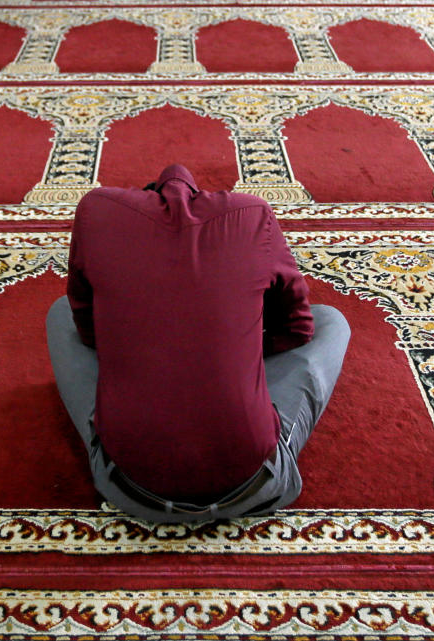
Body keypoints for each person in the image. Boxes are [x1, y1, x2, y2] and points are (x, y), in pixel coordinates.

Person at [47, 164, 350, 522]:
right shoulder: (253, 214)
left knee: (61, 312)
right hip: (253, 480)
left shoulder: (95, 208)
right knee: (332, 322)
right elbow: (299, 328)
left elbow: (88, 333)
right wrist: (241, 348)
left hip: (128, 487)